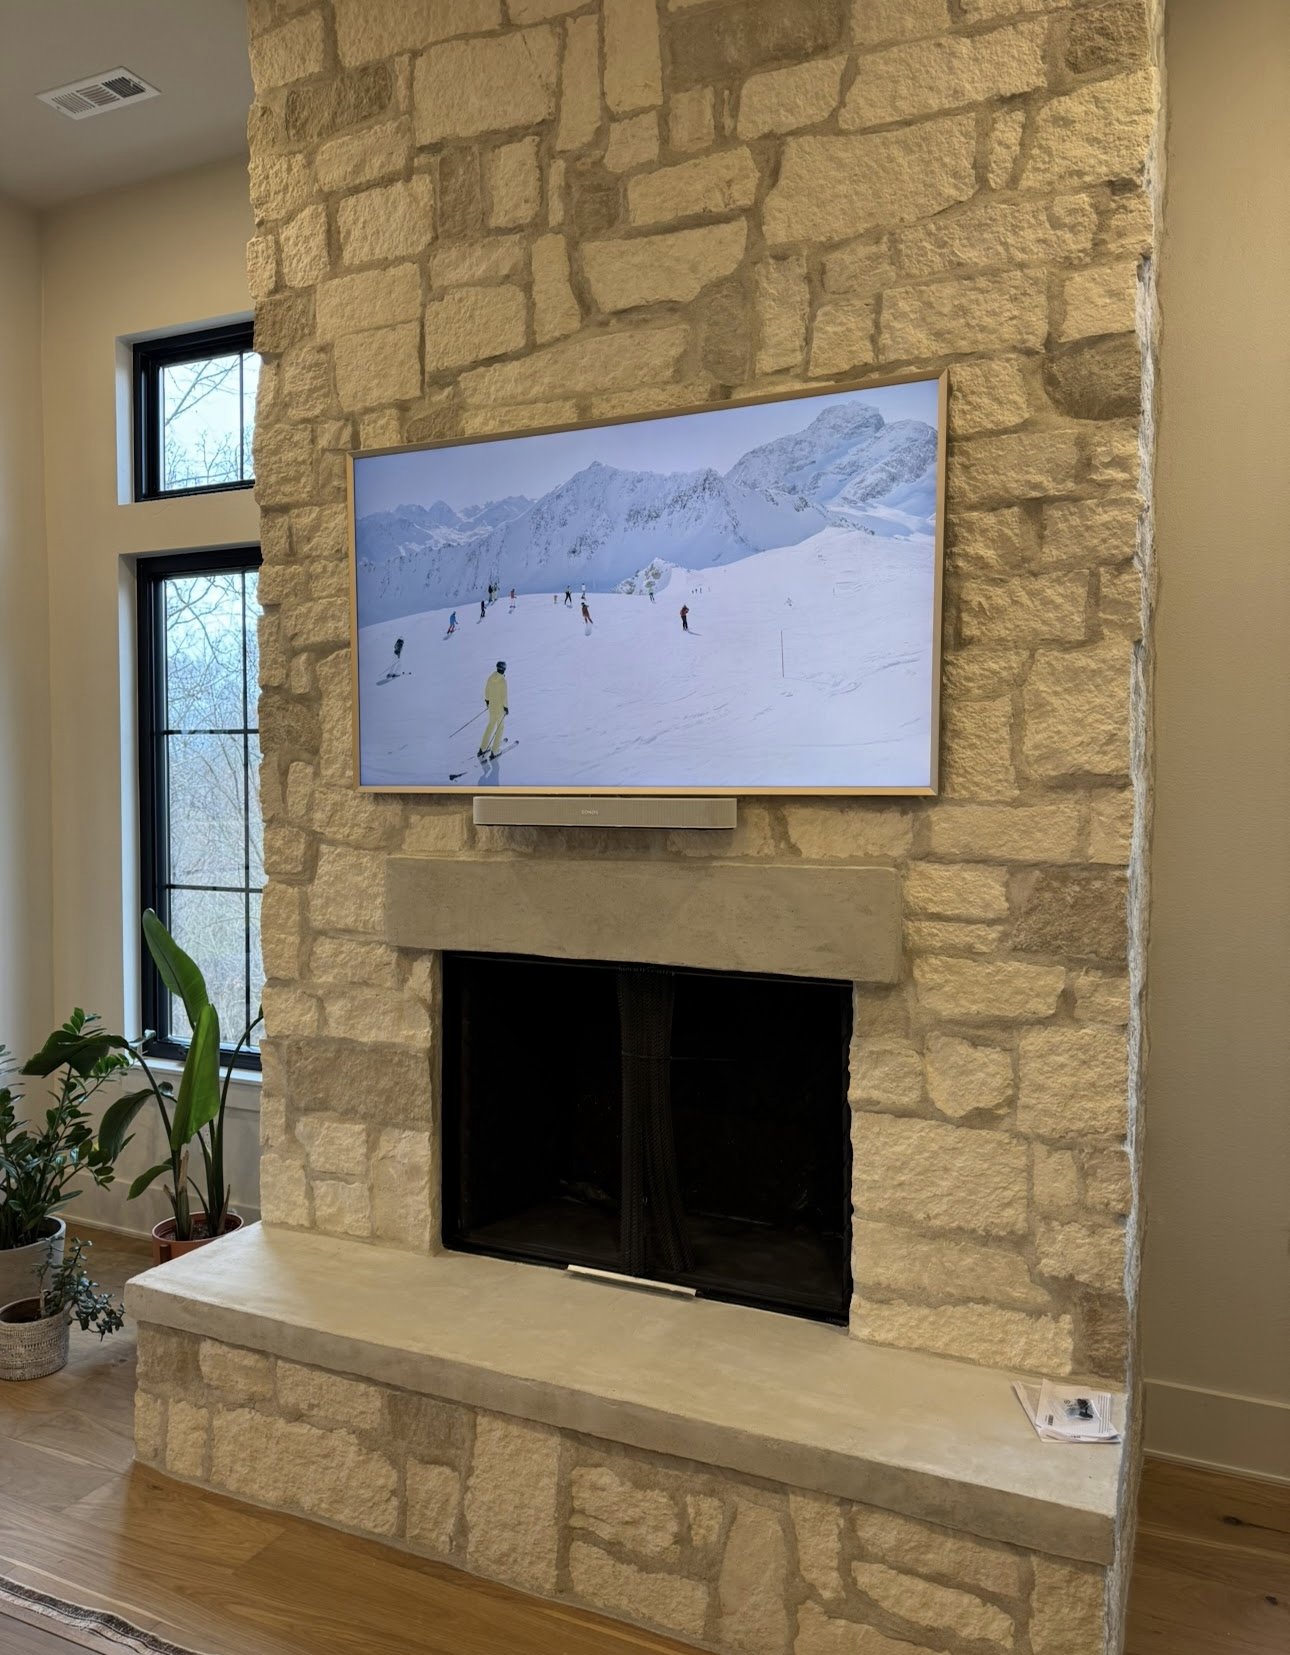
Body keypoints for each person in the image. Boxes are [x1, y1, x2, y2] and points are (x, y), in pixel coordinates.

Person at [478, 660, 509, 760]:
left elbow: (486, 690)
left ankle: (482, 748)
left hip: (491, 707)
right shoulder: (503, 681)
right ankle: (495, 751)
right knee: (500, 728)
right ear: (504, 669)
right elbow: (504, 696)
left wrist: (487, 701)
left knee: (490, 726)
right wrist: (506, 707)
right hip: (500, 709)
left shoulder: (491, 677)